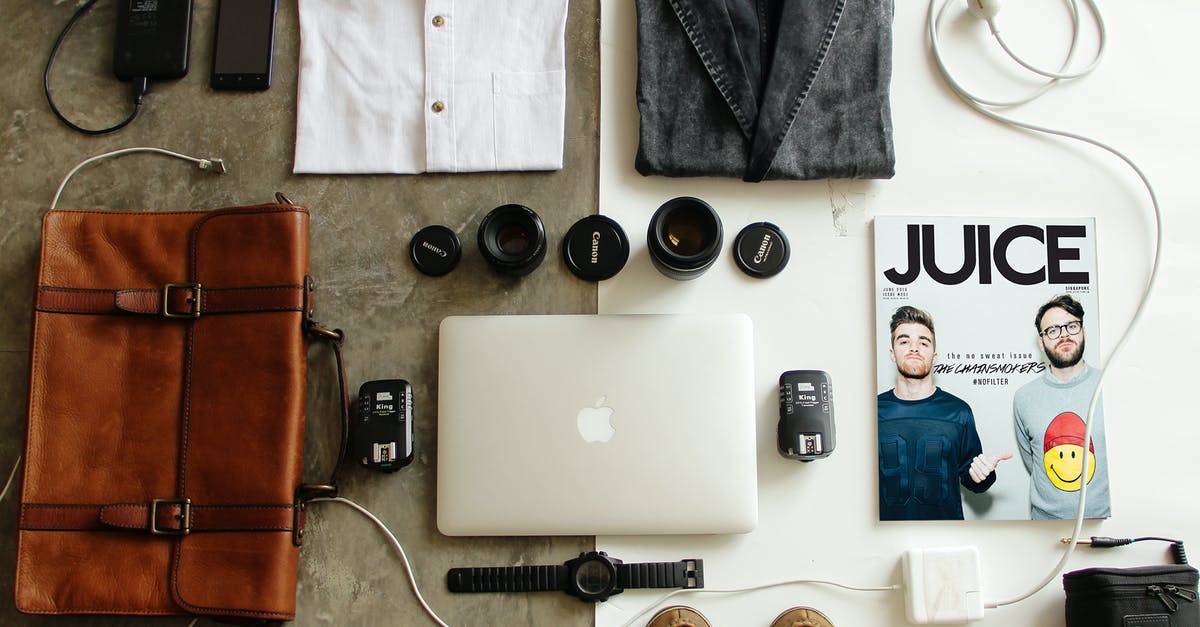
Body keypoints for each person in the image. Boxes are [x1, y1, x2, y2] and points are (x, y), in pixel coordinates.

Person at [878, 305, 1011, 520]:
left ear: (934, 356)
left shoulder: (958, 411)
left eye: (923, 342)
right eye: (904, 341)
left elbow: (973, 479)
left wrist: (984, 475)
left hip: (946, 538)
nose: (914, 348)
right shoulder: (872, 412)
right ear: (892, 354)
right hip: (883, 537)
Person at [1013, 295, 1110, 519]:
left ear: (1083, 331)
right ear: (1041, 341)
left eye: (1071, 326)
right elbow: (1035, 460)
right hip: (1045, 526)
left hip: (1104, 523)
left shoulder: (1110, 385)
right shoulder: (1024, 398)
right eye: (1053, 330)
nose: (1064, 334)